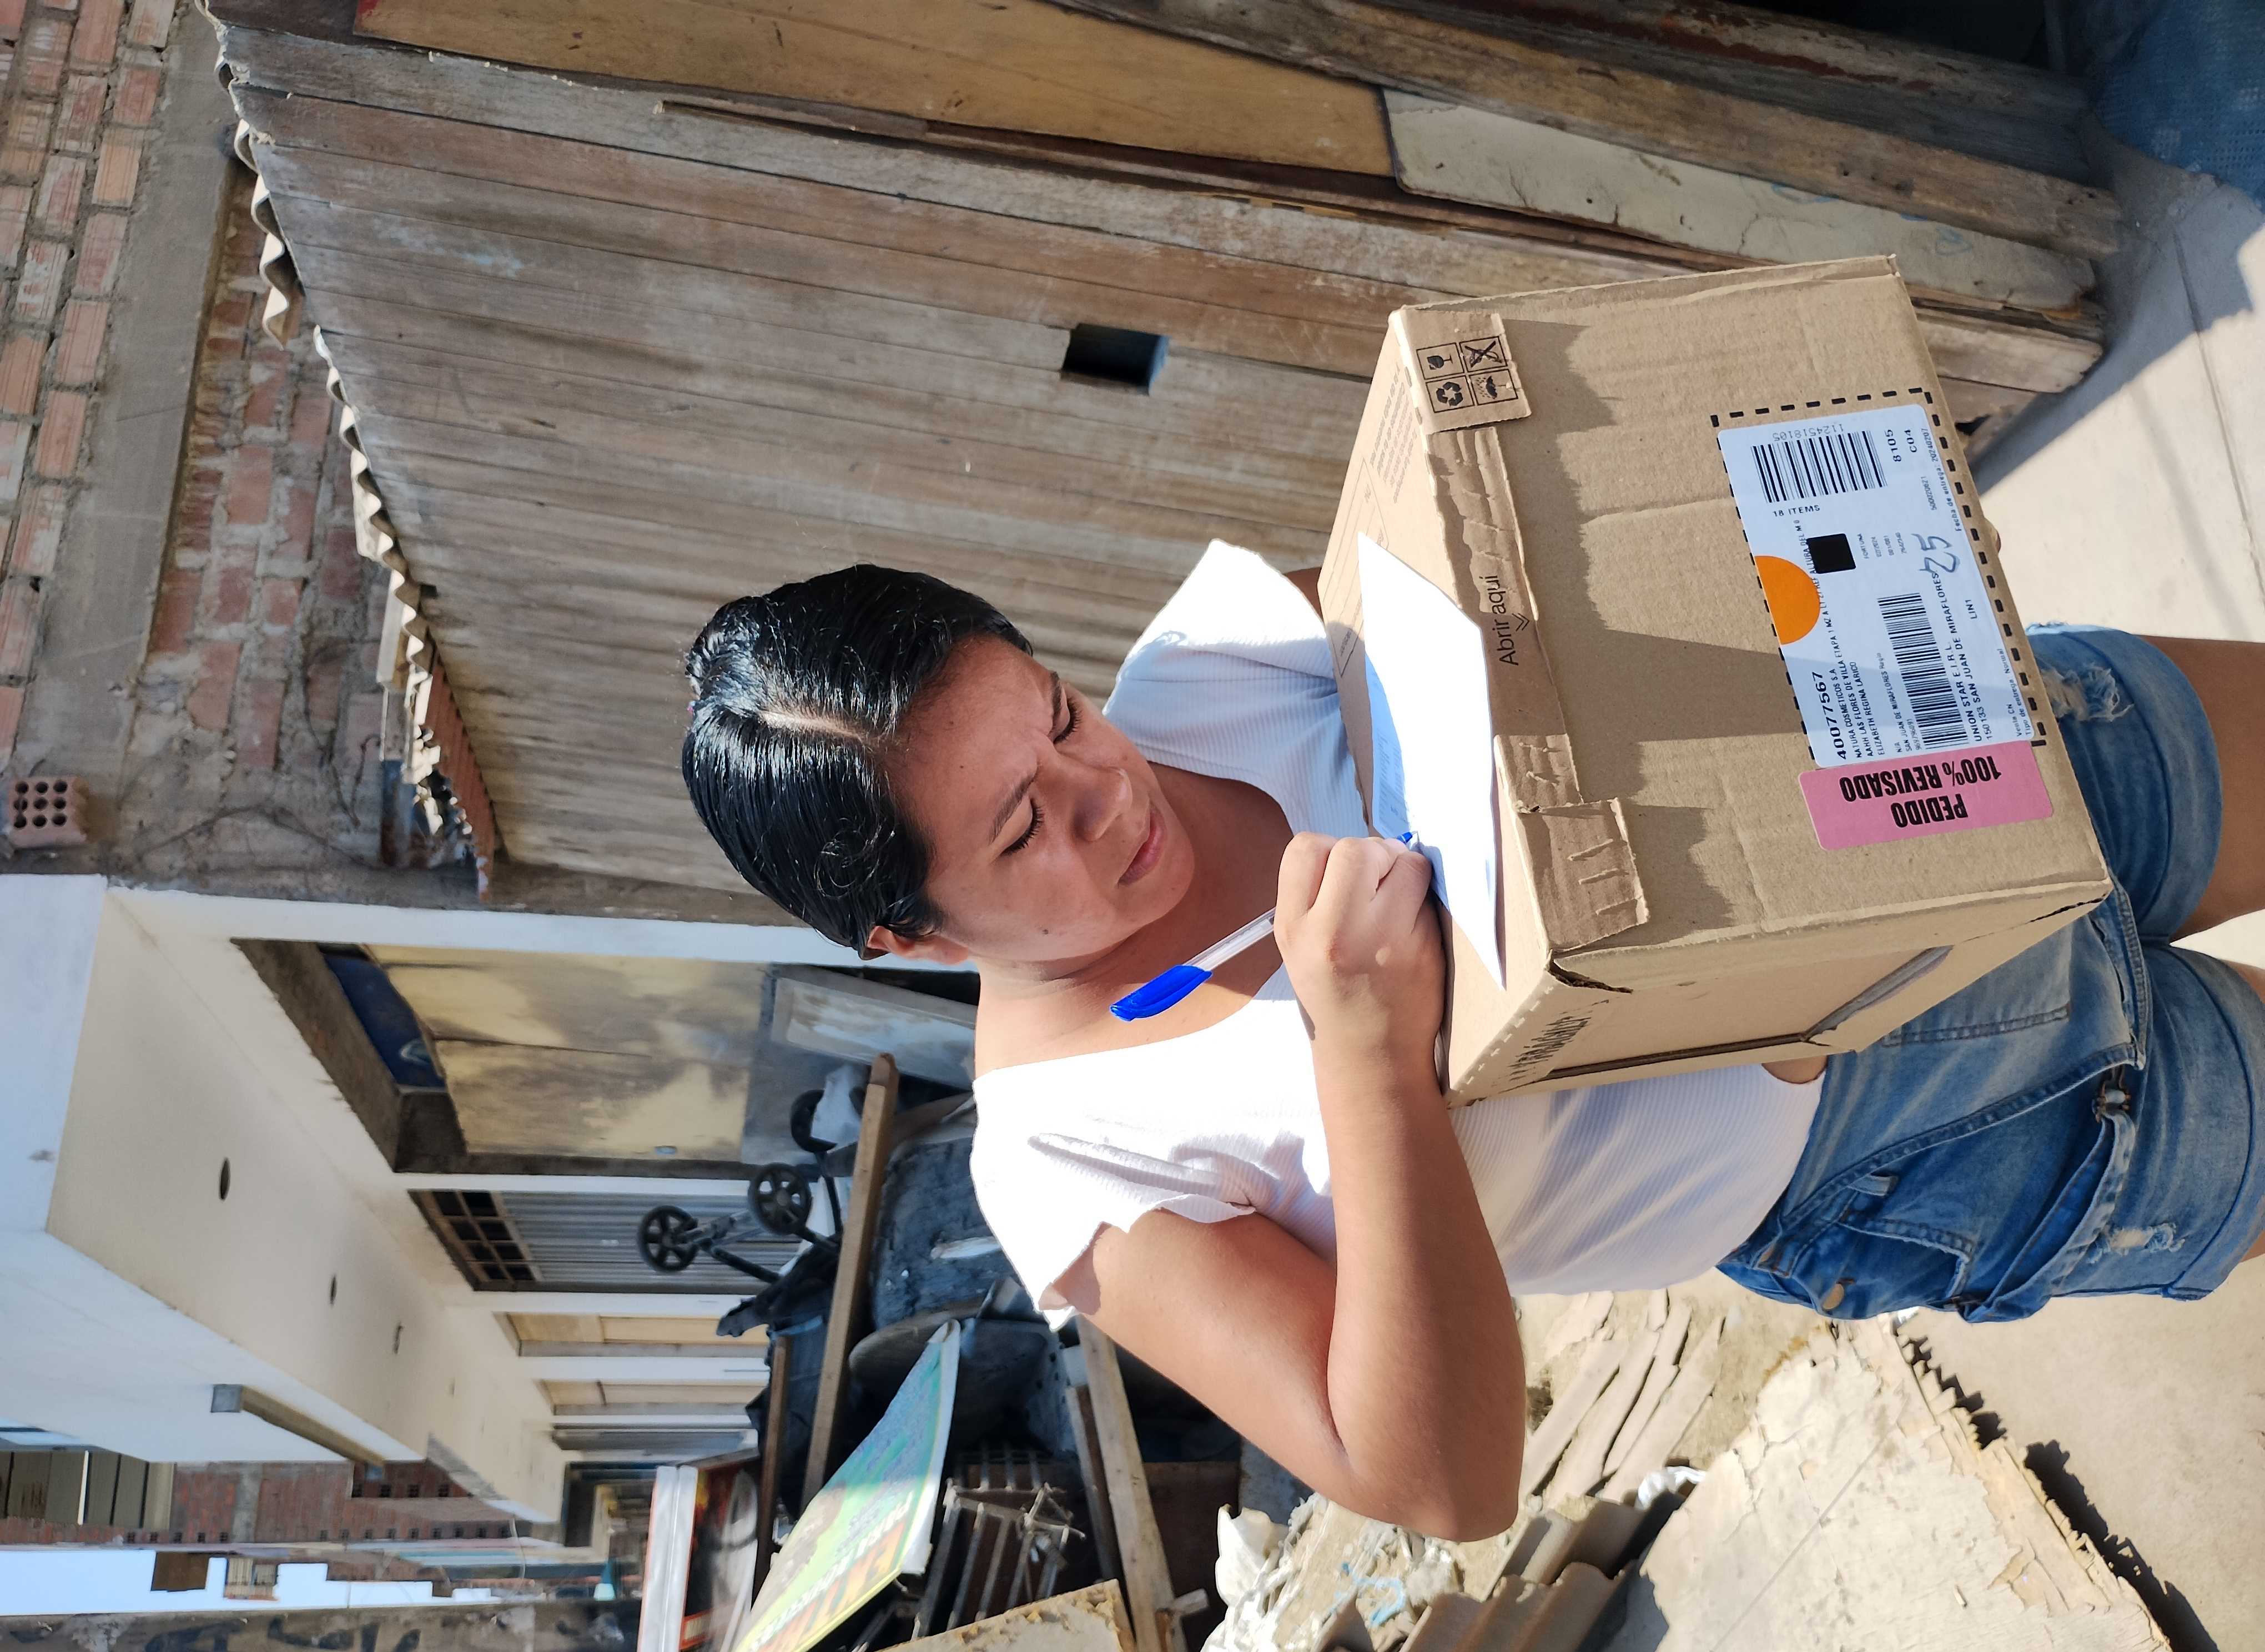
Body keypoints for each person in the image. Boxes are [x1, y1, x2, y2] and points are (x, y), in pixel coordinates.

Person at [681, 542, 2265, 1539]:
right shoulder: (1069, 1164)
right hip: (1930, 1125)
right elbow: (1436, 1480)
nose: (1111, 792)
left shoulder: (1207, 667)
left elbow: (1493, 577)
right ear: (913, 939)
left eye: (1060, 714)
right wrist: (1371, 1051)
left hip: (1903, 768)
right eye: (1026, 830)